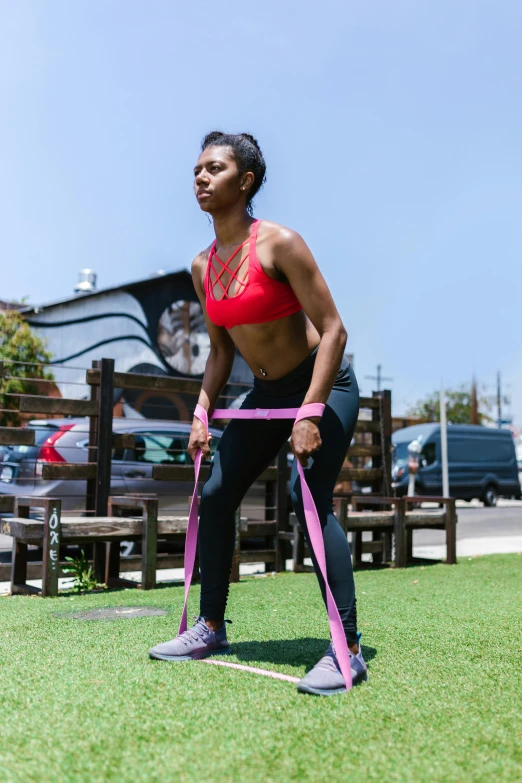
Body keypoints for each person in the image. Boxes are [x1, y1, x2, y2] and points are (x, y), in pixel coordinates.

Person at [149, 131, 367, 696]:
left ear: (244, 182)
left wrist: (311, 412)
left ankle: (347, 647)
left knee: (309, 502)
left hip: (322, 381)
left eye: (214, 168)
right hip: (267, 394)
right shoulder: (201, 266)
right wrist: (202, 412)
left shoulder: (279, 244)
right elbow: (222, 351)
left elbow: (336, 330)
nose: (200, 177)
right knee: (217, 495)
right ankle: (211, 629)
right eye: (197, 168)